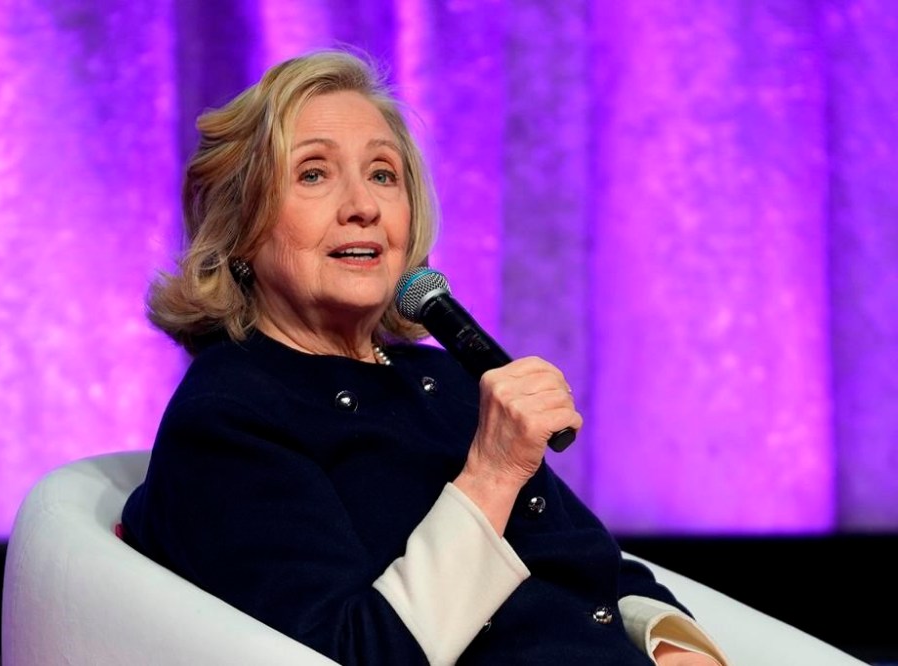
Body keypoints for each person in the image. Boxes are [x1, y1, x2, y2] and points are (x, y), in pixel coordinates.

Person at [121, 49, 729, 666]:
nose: (364, 205)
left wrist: (674, 645)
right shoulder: (228, 418)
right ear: (241, 228)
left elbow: (591, 563)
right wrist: (491, 473)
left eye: (383, 174)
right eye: (313, 173)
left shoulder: (444, 376)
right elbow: (355, 651)